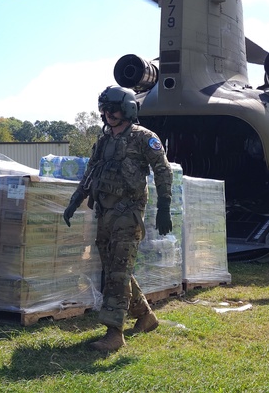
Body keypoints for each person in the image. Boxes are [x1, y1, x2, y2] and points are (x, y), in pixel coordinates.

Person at [63, 86, 173, 352]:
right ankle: (146, 317)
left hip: (129, 212)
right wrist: (76, 200)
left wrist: (164, 206)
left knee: (118, 272)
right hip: (105, 212)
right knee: (114, 269)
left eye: (113, 109)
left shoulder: (143, 137)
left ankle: (114, 333)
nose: (108, 114)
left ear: (127, 109)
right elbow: (91, 172)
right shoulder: (104, 140)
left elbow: (162, 169)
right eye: (104, 109)